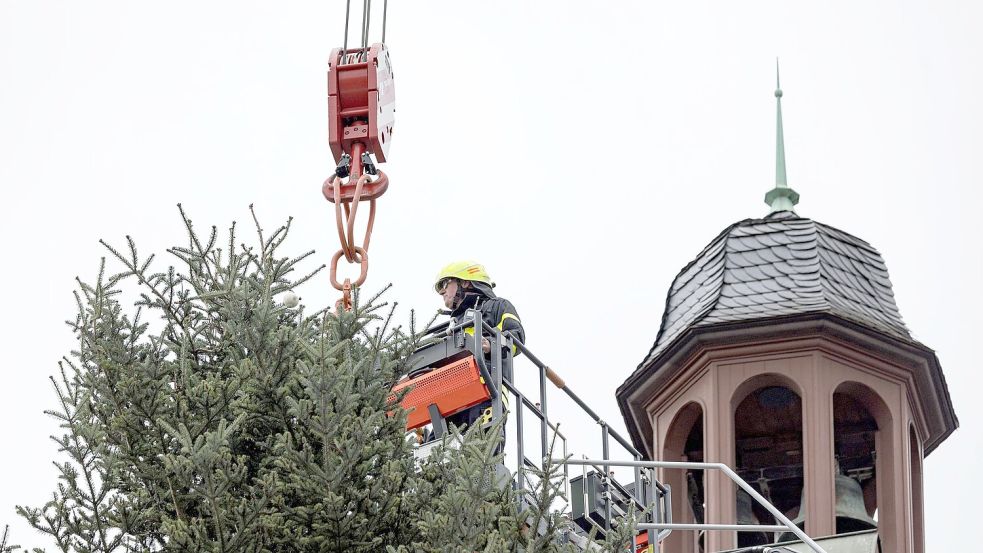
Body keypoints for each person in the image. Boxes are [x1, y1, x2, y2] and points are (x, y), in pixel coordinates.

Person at [434, 260, 525, 432]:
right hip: (451, 401)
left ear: (465, 282)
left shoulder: (498, 306)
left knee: (483, 452)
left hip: (487, 391)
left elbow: (517, 338)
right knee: (436, 451)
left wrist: (490, 345)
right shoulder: (452, 324)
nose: (442, 292)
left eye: (446, 284)